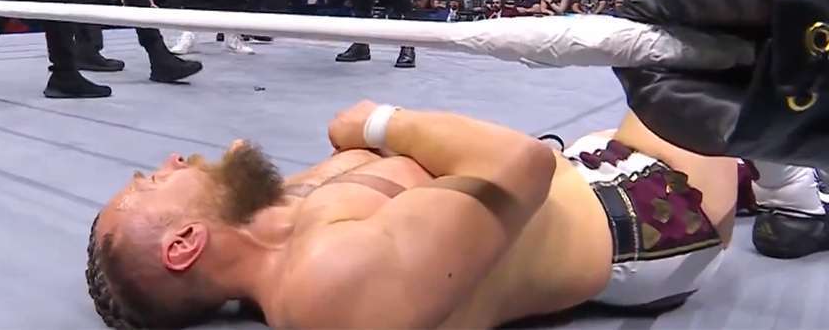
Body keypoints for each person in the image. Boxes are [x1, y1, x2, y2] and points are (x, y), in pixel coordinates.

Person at [85, 102, 751, 329]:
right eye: (149, 183)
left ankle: (770, 174)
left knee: (666, 43)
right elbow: (520, 163)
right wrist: (382, 120)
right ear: (183, 244)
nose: (169, 158)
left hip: (587, 168)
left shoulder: (279, 211)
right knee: (726, 34)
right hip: (644, 220)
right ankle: (794, 195)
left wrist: (248, 184)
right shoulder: (326, 282)